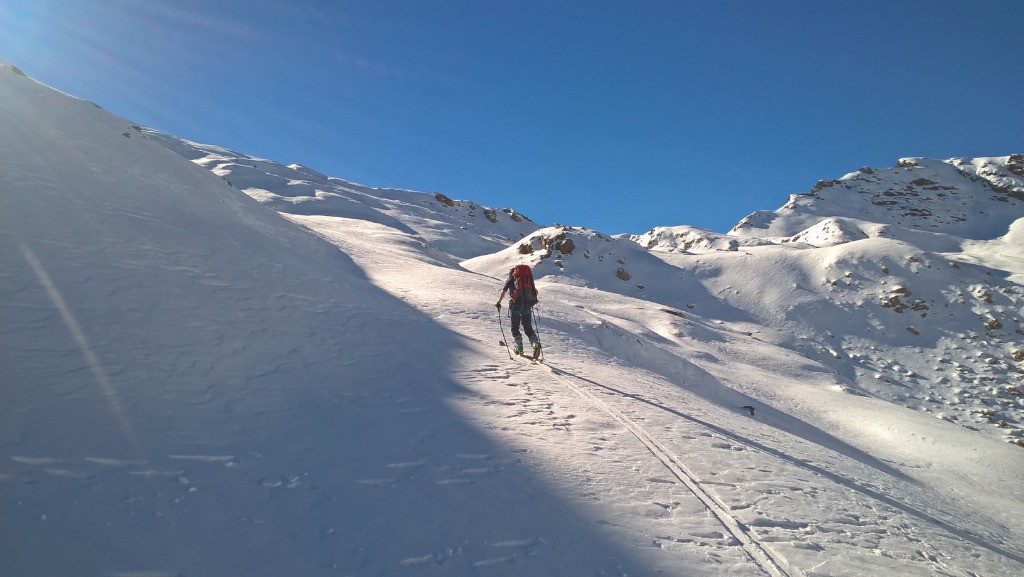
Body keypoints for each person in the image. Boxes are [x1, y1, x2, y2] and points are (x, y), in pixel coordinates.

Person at [496, 265, 541, 357]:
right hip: (527, 305)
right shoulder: (526, 279)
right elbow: (535, 291)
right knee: (528, 328)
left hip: (516, 305)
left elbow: (503, 291)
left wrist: (499, 302)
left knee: (515, 328)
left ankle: (519, 346)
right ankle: (535, 344)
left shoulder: (511, 279)